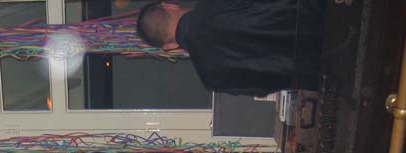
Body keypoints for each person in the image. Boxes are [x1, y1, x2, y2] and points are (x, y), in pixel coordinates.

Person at [136, 1, 325, 95]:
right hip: (328, 16)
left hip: (325, 72)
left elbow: (266, 87)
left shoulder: (212, 79)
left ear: (169, 47)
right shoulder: (213, 4)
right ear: (170, 5)